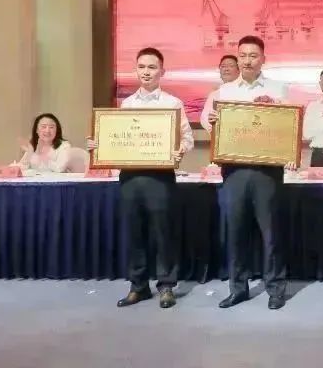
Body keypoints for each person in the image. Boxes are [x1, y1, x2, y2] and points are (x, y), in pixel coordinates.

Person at [87, 47, 193, 309]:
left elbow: (188, 138)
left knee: (163, 233)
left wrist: (180, 148)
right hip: (130, 178)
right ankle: (139, 286)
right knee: (135, 233)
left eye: (152, 67)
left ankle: (166, 286)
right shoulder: (127, 104)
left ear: (162, 71)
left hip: (160, 178)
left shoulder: (172, 103)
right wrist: (98, 146)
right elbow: (118, 138)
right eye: (142, 67)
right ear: (136, 70)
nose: (146, 72)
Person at [207, 35, 289, 310]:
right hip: (235, 171)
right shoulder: (225, 91)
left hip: (267, 171)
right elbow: (210, 125)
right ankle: (238, 288)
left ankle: (275, 289)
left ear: (263, 59)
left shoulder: (279, 89)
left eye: (253, 55)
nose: (247, 60)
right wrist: (213, 121)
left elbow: (287, 126)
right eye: (242, 55)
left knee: (271, 233)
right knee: (236, 232)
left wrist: (275, 109)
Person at [199, 54, 240, 127]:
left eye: (231, 66)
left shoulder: (245, 90)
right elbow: (204, 119)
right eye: (223, 66)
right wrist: (214, 127)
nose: (226, 69)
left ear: (239, 70)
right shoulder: (214, 94)